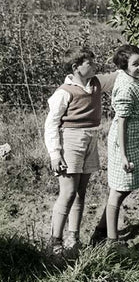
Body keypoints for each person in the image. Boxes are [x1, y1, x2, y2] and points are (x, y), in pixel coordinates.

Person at [44, 49, 102, 255]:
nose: (94, 66)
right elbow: (51, 124)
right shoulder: (64, 92)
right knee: (68, 192)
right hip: (71, 139)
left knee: (81, 192)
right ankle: (55, 242)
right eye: (89, 63)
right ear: (76, 67)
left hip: (91, 139)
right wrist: (55, 153)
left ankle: (73, 238)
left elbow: (122, 74)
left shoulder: (96, 83)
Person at [104, 44, 139, 246]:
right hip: (126, 141)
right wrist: (124, 155)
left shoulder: (130, 77)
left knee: (123, 188)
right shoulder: (125, 86)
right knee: (118, 190)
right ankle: (111, 239)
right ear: (124, 66)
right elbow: (122, 123)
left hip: (136, 137)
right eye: (136, 64)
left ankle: (105, 229)